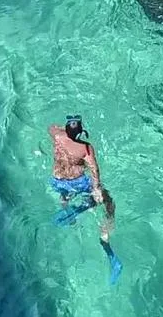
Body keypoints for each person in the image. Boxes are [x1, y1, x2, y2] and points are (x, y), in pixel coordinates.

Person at [49, 115, 121, 284]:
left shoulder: (57, 136)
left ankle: (69, 213)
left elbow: (51, 127)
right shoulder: (86, 148)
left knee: (64, 195)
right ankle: (105, 232)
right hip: (77, 182)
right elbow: (94, 170)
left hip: (57, 181)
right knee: (108, 200)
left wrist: (65, 129)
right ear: (81, 132)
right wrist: (97, 190)